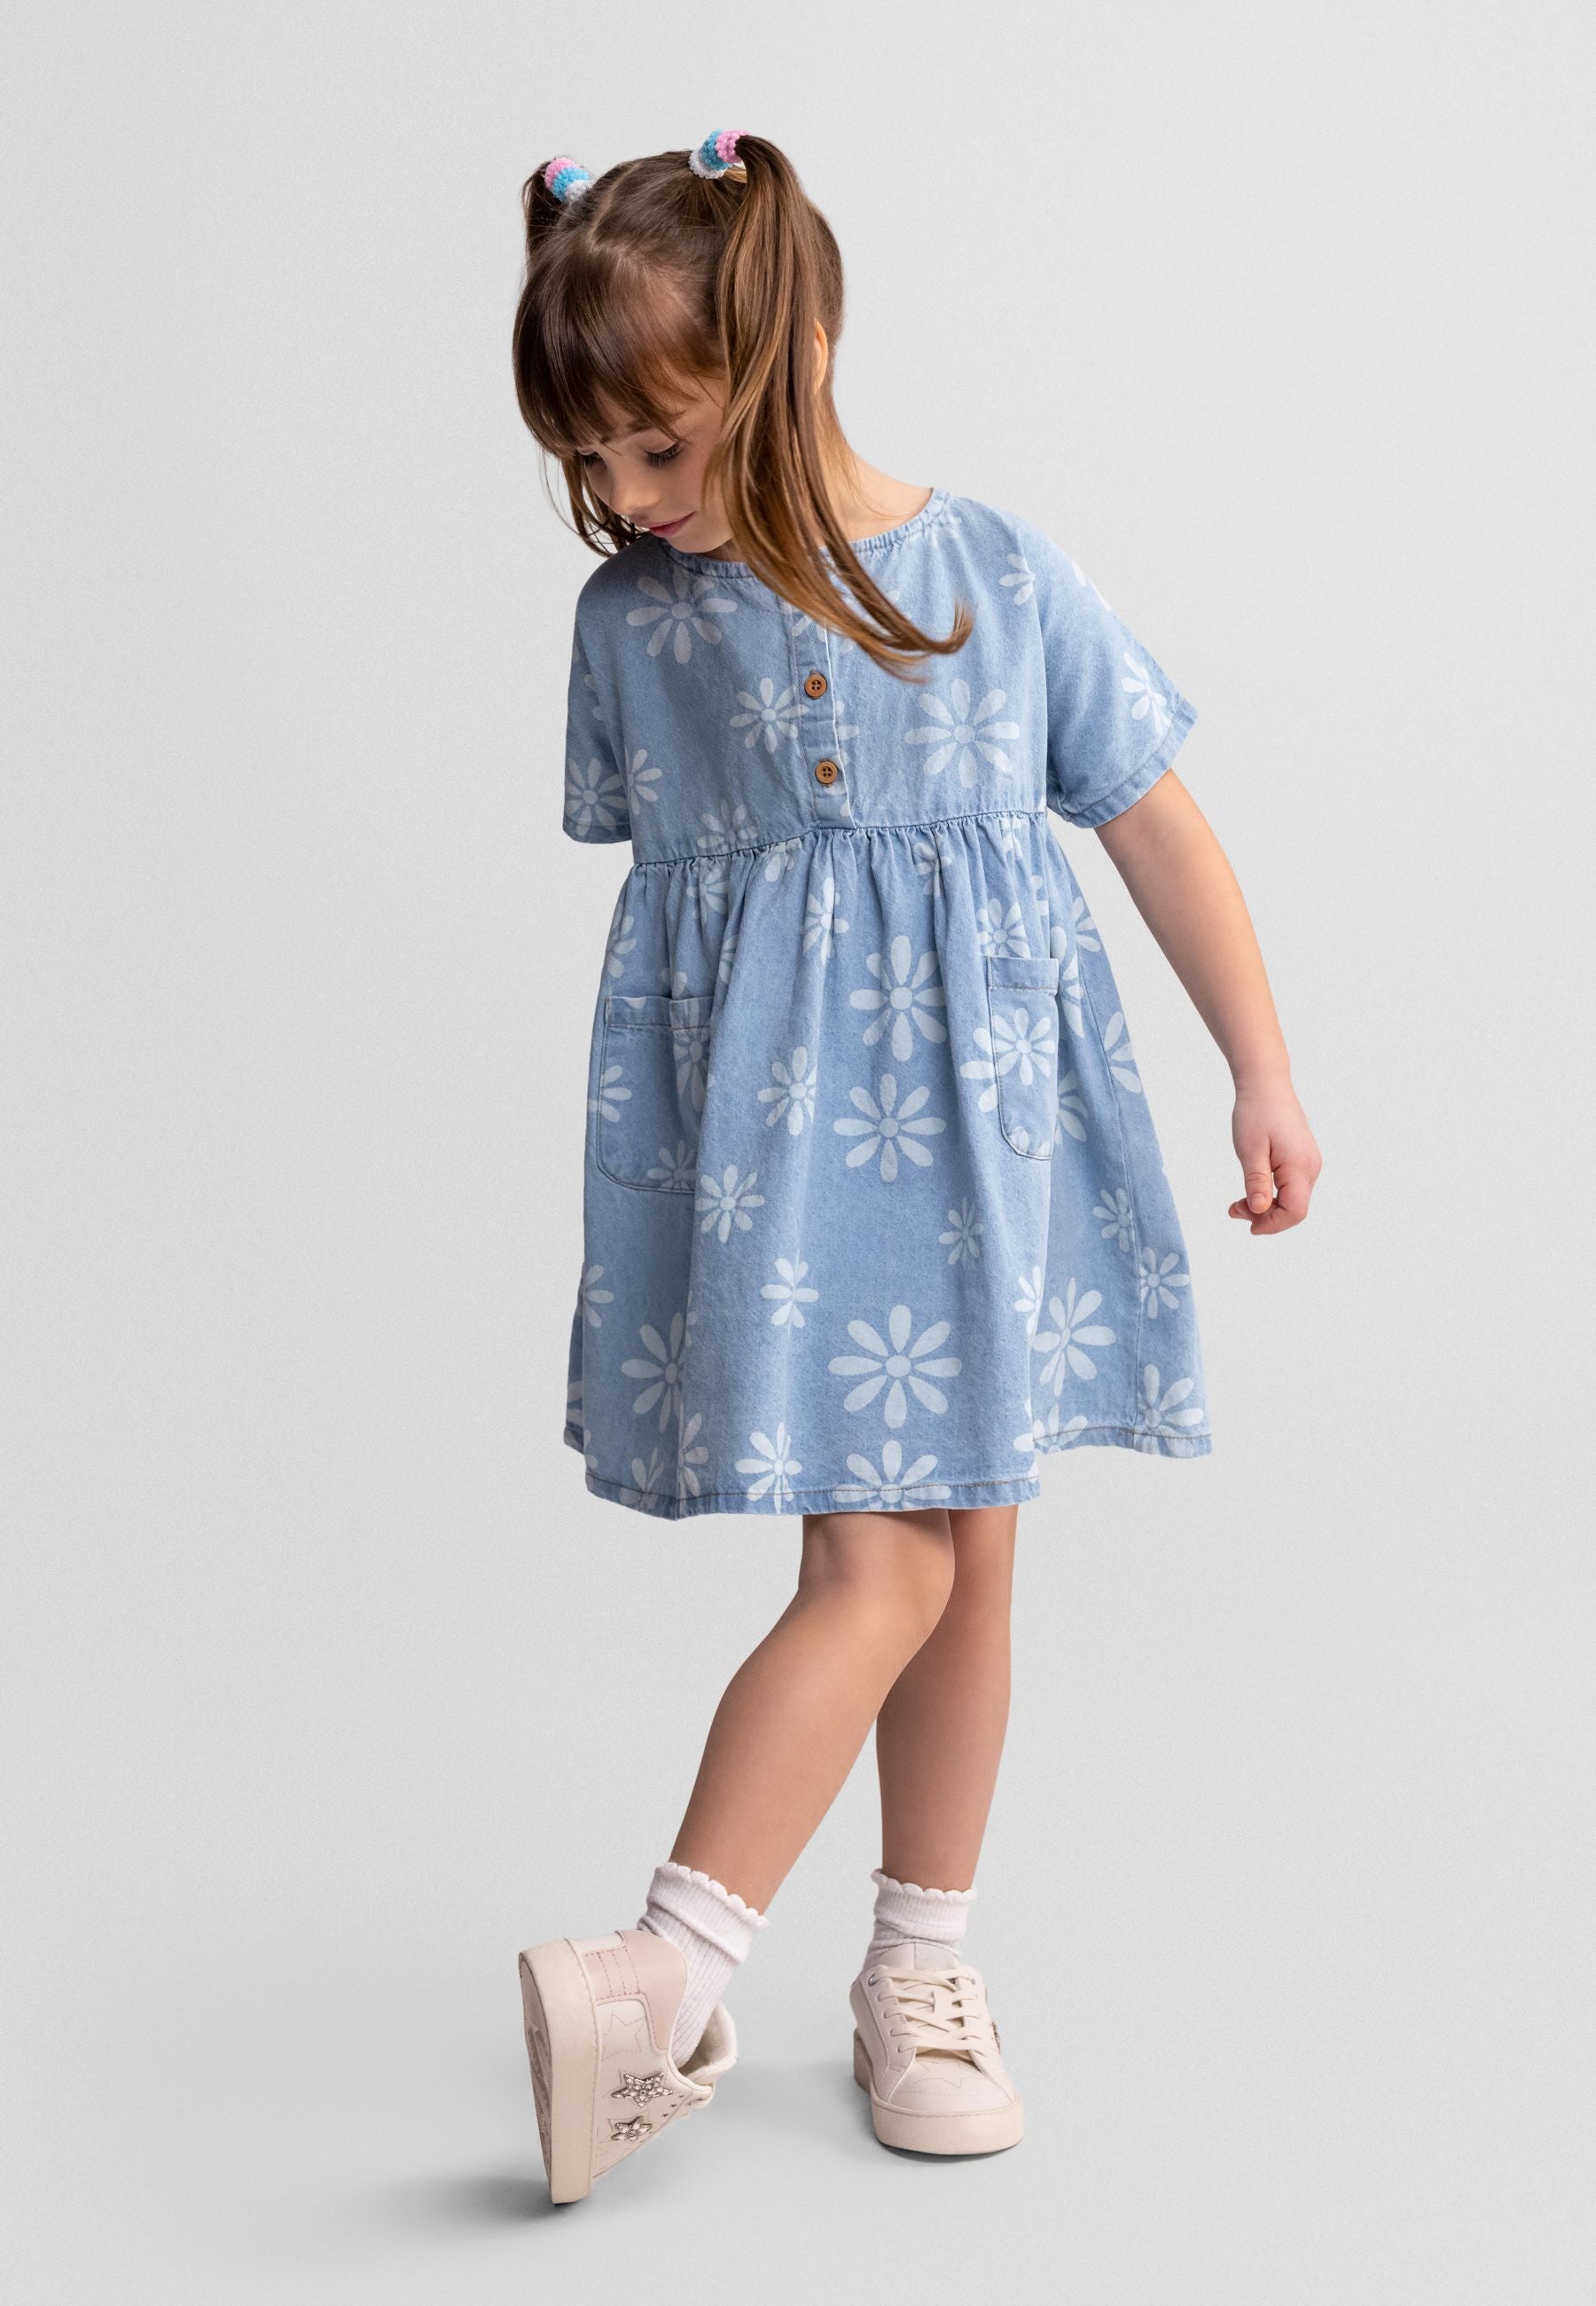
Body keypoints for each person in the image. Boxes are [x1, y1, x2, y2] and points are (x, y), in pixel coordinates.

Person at [510, 130, 1322, 2204]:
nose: (619, 502)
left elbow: (1150, 816)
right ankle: (668, 1972)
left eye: (656, 449)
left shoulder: (996, 572)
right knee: (887, 1568)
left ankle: (919, 1964)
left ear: (786, 356)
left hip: (1001, 1131)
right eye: (589, 464)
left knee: (977, 1546)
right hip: (806, 1165)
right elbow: (681, 920)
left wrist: (1261, 1061)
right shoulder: (638, 626)